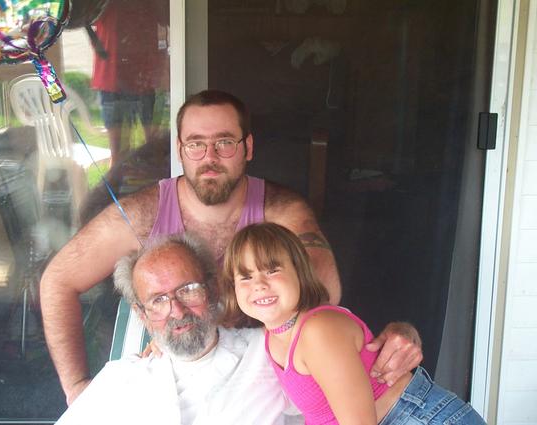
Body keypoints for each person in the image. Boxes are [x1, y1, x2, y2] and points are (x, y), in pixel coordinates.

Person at [40, 89, 422, 405]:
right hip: (172, 383)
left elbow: (322, 293)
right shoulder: (141, 214)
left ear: (247, 147)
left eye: (224, 143)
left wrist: (396, 334)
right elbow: (57, 281)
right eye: (196, 144)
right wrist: (76, 388)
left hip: (260, 387)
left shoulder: (282, 211)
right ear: (180, 149)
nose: (210, 157)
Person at [221, 223, 486, 425]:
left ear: (299, 273)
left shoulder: (318, 330)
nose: (259, 284)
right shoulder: (272, 337)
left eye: (272, 270)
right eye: (245, 277)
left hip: (420, 418)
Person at [55, 234, 300, 424]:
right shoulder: (118, 379)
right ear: (142, 315)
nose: (178, 311)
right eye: (158, 300)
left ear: (213, 290)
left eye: (188, 290)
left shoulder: (270, 353)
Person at [90, 0, 168, 166]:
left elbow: (168, 17)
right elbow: (86, 16)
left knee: (152, 144)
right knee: (118, 151)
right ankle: (119, 177)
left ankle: (153, 175)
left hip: (143, 74)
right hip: (113, 74)